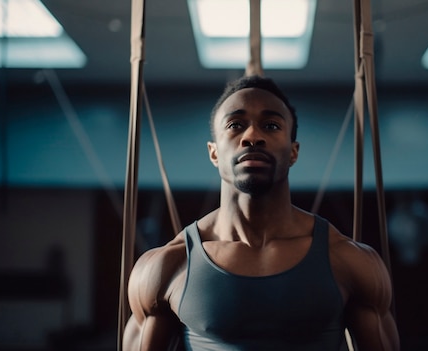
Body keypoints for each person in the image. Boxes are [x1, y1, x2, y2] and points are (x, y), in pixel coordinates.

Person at [123, 75, 399, 351]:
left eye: (271, 125)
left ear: (293, 152)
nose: (253, 136)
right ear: (214, 153)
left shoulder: (349, 259)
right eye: (235, 125)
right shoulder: (166, 267)